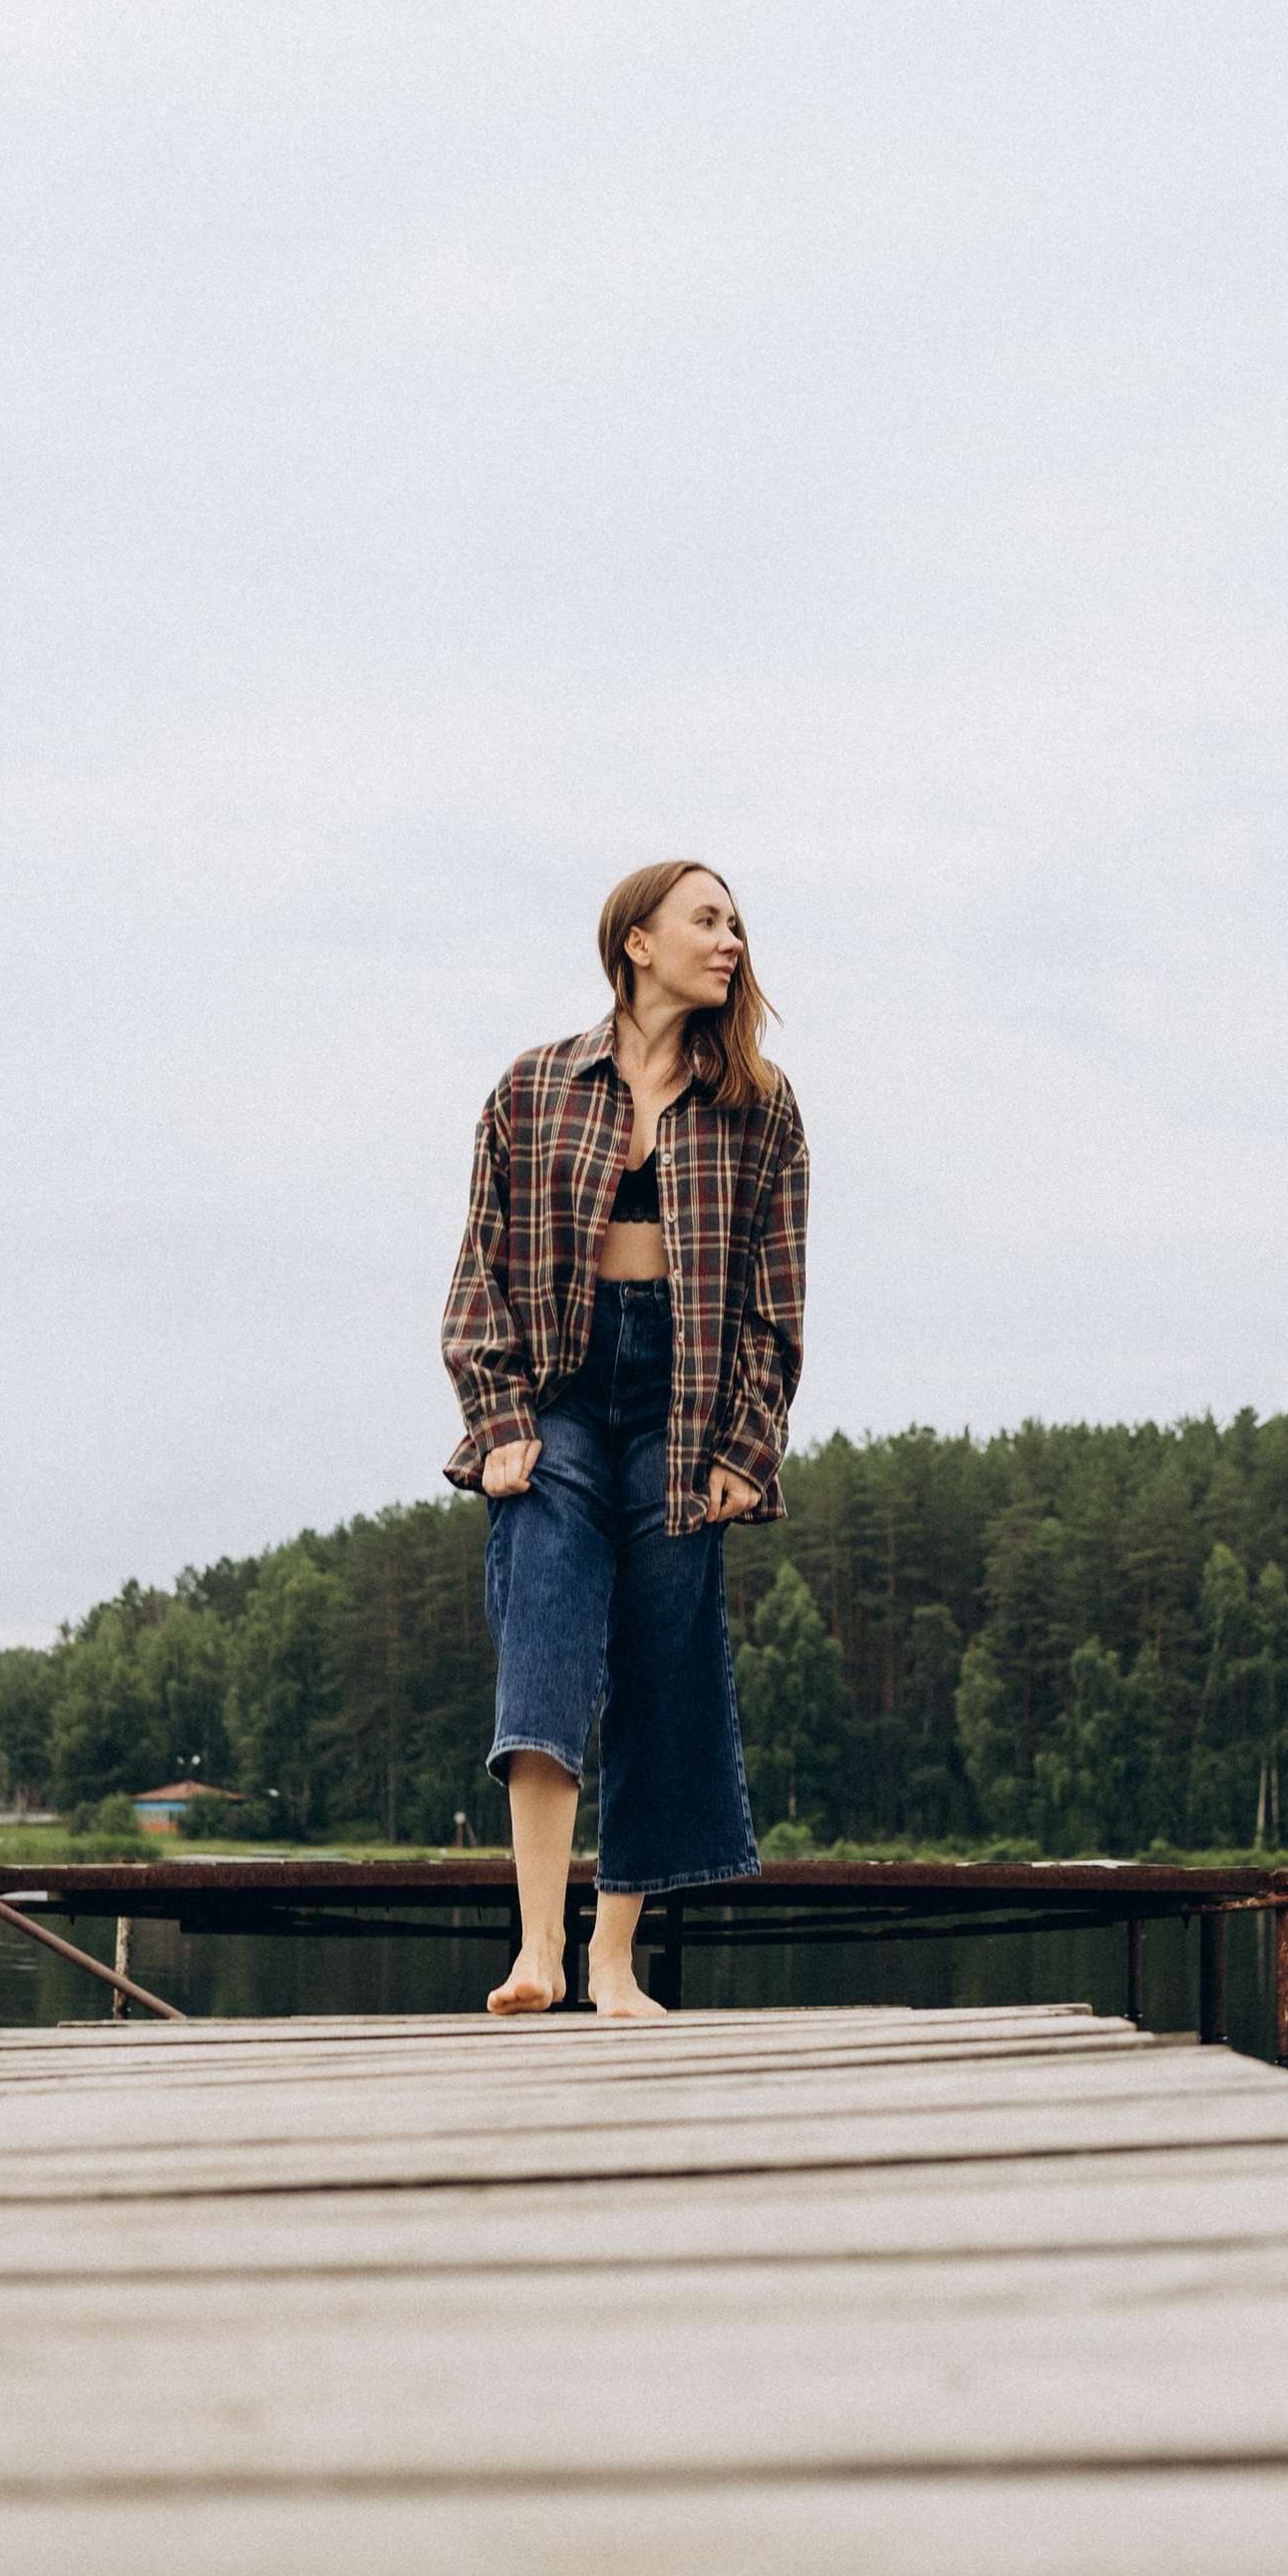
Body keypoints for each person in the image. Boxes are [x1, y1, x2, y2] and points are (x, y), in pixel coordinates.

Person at [442, 860, 808, 2019]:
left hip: (683, 1401)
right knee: (543, 1626)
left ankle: (613, 1961)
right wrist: (497, 1419)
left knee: (661, 1655)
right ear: (637, 941)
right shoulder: (533, 1085)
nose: (731, 941)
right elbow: (478, 1275)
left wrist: (747, 1450)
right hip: (559, 1388)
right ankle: (536, 1950)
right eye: (708, 920)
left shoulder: (760, 1103)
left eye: (738, 925)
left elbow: (773, 1300)